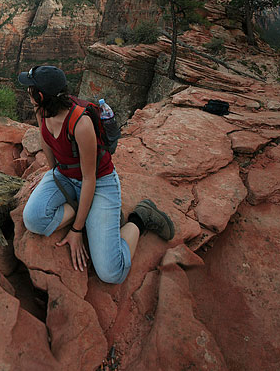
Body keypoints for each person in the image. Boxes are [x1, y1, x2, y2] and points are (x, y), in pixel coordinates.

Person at [18, 66, 174, 284]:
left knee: (111, 273)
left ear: (41, 95)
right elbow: (46, 140)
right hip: (64, 175)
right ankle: (84, 208)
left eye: (30, 88)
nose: (27, 92)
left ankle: (140, 218)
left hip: (99, 182)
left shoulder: (81, 123)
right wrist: (53, 174)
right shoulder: (42, 110)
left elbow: (90, 177)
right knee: (33, 220)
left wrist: (76, 230)